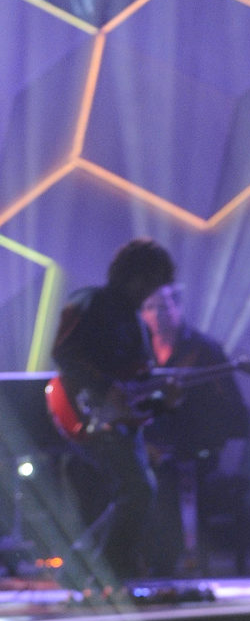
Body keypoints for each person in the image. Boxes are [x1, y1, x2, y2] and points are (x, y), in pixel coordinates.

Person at [50, 238, 177, 585]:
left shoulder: (136, 323)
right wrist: (106, 388)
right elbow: (63, 353)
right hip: (87, 411)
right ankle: (108, 573)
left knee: (136, 491)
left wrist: (161, 400)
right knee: (137, 489)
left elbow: (137, 382)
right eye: (149, 283)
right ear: (133, 275)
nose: (150, 293)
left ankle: (84, 570)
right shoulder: (89, 303)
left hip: (118, 420)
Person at [139, 281, 250, 575]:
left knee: (170, 484)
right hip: (146, 449)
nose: (157, 314)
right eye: (149, 307)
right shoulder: (138, 354)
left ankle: (172, 566)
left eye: (163, 306)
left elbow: (232, 411)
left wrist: (193, 432)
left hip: (194, 450)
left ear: (178, 307)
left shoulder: (204, 350)